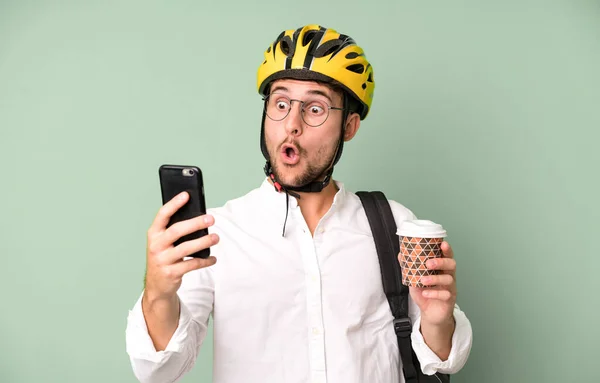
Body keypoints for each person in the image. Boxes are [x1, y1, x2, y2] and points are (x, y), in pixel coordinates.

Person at [125, 24, 472, 383]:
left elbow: (443, 359)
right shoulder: (217, 231)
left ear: (349, 127)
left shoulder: (394, 225)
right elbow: (158, 369)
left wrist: (438, 319)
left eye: (315, 108)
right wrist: (158, 293)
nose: (292, 124)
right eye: (280, 103)